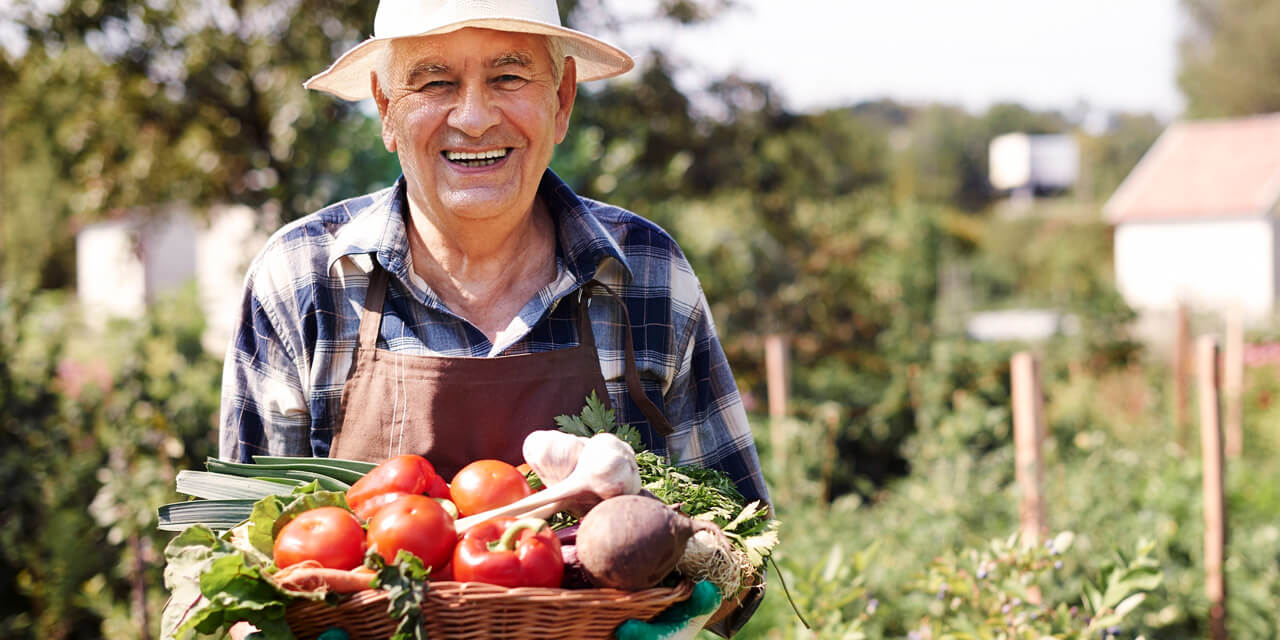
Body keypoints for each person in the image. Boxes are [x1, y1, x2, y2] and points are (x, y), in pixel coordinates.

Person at [219, 0, 768, 635]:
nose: (474, 118)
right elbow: (241, 567)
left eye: (508, 78)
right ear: (385, 107)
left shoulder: (648, 276)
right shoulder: (301, 280)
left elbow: (742, 548)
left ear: (561, 101)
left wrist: (690, 607)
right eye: (434, 81)